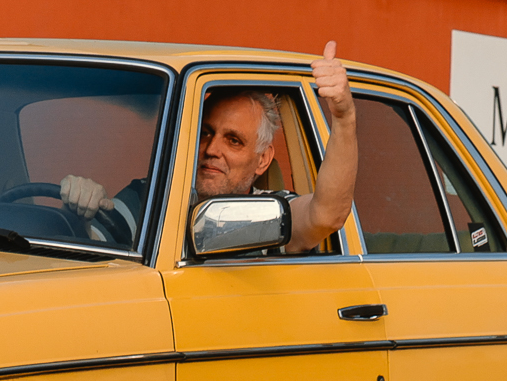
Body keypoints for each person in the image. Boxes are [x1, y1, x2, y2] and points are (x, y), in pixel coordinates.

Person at [60, 41, 359, 255]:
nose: (212, 149)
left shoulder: (271, 211)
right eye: (206, 133)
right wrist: (81, 214)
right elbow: (96, 252)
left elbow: (326, 215)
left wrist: (344, 118)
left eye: (234, 140)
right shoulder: (151, 197)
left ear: (263, 159)